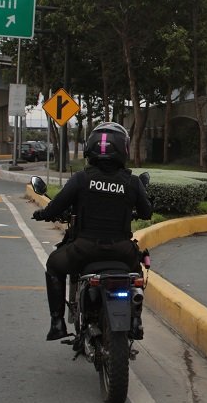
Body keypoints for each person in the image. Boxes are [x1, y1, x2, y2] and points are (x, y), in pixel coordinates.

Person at [32, 122, 152, 341]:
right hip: (122, 251)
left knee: (53, 265)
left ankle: (57, 323)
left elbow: (55, 207)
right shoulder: (132, 182)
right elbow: (146, 213)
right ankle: (136, 320)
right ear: (123, 149)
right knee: (137, 276)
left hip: (84, 249)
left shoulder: (81, 178)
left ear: (91, 148)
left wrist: (42, 214)